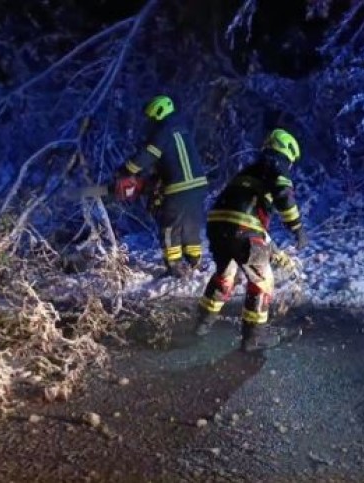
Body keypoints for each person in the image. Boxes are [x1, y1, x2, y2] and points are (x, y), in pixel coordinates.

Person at [195, 128, 308, 352]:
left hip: (217, 226)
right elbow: (283, 195)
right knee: (262, 281)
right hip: (243, 228)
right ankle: (254, 338)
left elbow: (253, 225)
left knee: (224, 276)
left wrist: (274, 252)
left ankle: (200, 326)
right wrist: (297, 229)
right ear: (288, 153)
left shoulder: (249, 170)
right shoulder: (277, 164)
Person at [113, 95, 208, 278]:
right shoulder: (182, 130)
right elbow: (174, 161)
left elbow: (145, 157)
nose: (149, 123)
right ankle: (194, 260)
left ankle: (174, 267)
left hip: (178, 187)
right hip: (198, 186)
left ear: (157, 113)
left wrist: (126, 170)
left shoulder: (162, 132)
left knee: (170, 226)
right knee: (190, 223)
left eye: (151, 119)